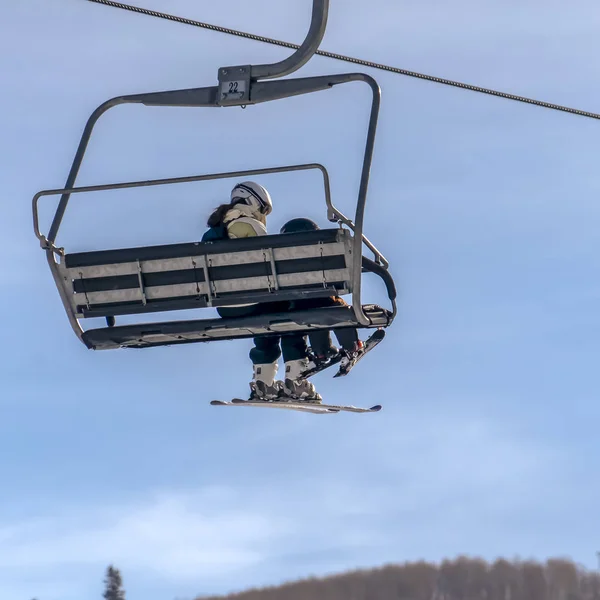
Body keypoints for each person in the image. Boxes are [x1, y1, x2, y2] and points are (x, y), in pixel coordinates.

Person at [202, 182, 322, 403]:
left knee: (265, 321)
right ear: (254, 202)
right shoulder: (250, 225)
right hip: (252, 300)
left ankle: (263, 383)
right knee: (290, 311)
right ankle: (296, 380)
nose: (264, 215)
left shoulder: (212, 233)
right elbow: (270, 265)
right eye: (264, 209)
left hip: (226, 307)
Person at [278, 218, 365, 373]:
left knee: (311, 313)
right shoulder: (323, 254)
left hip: (296, 307)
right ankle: (352, 346)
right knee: (337, 309)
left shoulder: (278, 260)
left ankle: (321, 352)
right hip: (324, 302)